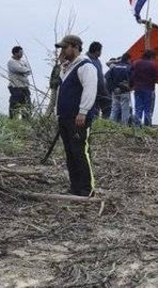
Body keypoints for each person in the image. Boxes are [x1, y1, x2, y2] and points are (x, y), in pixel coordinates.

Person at [55, 35, 98, 197]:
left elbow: (90, 89)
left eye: (65, 48)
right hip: (65, 117)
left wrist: (83, 111)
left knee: (80, 152)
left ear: (74, 47)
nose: (62, 51)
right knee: (70, 153)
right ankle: (75, 186)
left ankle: (87, 189)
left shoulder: (85, 66)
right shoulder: (67, 68)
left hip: (78, 117)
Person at [131, 50, 158, 126]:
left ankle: (137, 125)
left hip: (137, 88)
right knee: (148, 109)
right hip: (149, 89)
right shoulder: (153, 64)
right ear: (151, 57)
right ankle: (147, 126)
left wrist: (132, 84)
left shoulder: (136, 63)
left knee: (138, 108)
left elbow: (130, 74)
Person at [86, 41, 111, 119]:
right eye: (100, 51)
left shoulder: (97, 60)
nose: (101, 53)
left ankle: (104, 123)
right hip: (92, 89)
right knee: (93, 109)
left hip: (101, 89)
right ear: (97, 51)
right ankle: (94, 124)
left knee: (108, 105)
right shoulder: (86, 60)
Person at [105, 53, 132, 125]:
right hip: (125, 92)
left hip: (115, 92)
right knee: (125, 110)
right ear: (128, 59)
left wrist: (113, 88)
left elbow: (107, 77)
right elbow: (133, 78)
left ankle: (111, 125)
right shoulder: (129, 67)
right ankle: (124, 127)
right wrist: (130, 87)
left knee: (114, 109)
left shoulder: (114, 67)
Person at [7, 46, 32, 119]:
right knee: (15, 106)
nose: (22, 54)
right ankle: (13, 122)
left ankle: (26, 121)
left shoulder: (23, 61)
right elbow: (20, 69)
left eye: (22, 52)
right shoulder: (11, 62)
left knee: (27, 106)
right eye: (20, 52)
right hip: (16, 87)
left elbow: (29, 70)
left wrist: (25, 70)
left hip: (24, 86)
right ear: (15, 53)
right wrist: (25, 70)